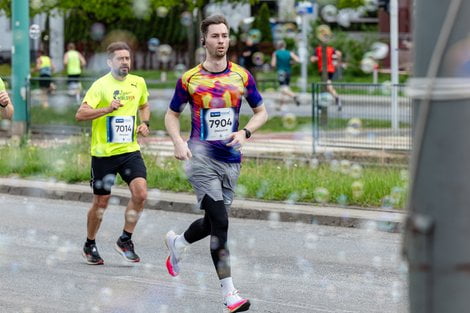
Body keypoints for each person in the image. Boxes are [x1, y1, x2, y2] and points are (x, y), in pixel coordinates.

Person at [164, 14, 268, 313]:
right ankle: (230, 294)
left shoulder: (242, 76)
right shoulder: (190, 79)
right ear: (204, 40)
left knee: (212, 222)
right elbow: (171, 114)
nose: (221, 41)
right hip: (201, 160)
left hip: (231, 160)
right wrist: (178, 141)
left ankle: (179, 243)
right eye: (215, 36)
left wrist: (245, 132)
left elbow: (261, 112)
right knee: (221, 223)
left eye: (224, 36)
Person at [75, 41, 151, 265]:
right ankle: (90, 244)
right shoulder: (100, 85)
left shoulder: (138, 83)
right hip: (103, 154)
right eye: (120, 58)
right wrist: (106, 109)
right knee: (101, 203)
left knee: (141, 194)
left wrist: (144, 123)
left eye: (127, 58)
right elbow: (80, 114)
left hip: (129, 151)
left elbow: (144, 105)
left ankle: (125, 240)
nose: (125, 62)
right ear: (110, 62)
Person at [270, 40, 300, 109]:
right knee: (285, 88)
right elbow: (298, 60)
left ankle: (294, 96)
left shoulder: (276, 53)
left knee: (283, 89)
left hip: (281, 72)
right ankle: (281, 106)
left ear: (278, 46)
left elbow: (273, 64)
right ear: (284, 46)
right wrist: (292, 63)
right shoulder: (289, 53)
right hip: (288, 72)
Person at [311, 45, 342, 110]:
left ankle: (337, 99)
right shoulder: (331, 49)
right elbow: (339, 53)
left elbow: (312, 59)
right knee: (325, 86)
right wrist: (336, 62)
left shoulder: (318, 49)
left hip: (325, 69)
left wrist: (316, 58)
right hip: (330, 69)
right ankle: (322, 103)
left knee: (327, 85)